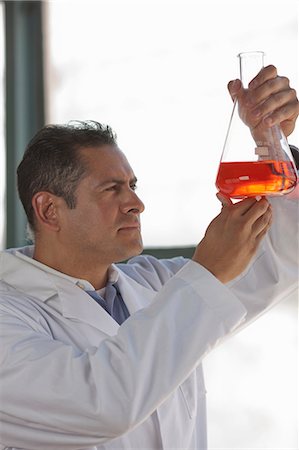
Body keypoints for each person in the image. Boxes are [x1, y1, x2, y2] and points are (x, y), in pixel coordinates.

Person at [0, 65, 298, 450]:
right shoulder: (10, 314)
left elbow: (285, 251)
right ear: (49, 209)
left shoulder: (154, 285)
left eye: (133, 185)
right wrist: (207, 272)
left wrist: (270, 139)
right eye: (112, 189)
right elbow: (101, 405)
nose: (137, 204)